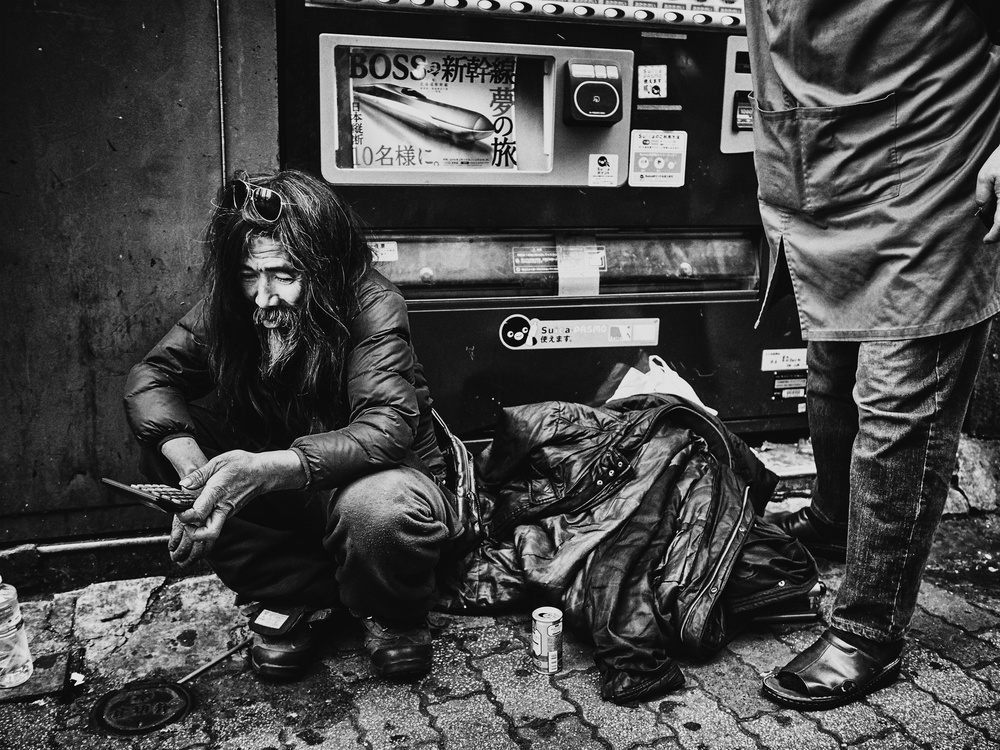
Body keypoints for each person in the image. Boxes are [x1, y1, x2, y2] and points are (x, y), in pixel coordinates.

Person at [743, 0, 1000, 709]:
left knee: (898, 403)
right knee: (829, 370)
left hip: (932, 170)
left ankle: (868, 628)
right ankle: (831, 520)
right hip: (824, 159)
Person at [123, 169, 469, 681]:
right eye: (248, 274)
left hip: (379, 477)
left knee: (379, 508)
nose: (264, 297)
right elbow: (153, 376)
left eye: (284, 275)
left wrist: (265, 470)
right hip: (293, 484)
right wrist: (198, 476)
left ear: (323, 268)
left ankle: (391, 613)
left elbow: (384, 428)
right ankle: (293, 592)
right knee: (169, 437)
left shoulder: (371, 304)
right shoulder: (237, 307)